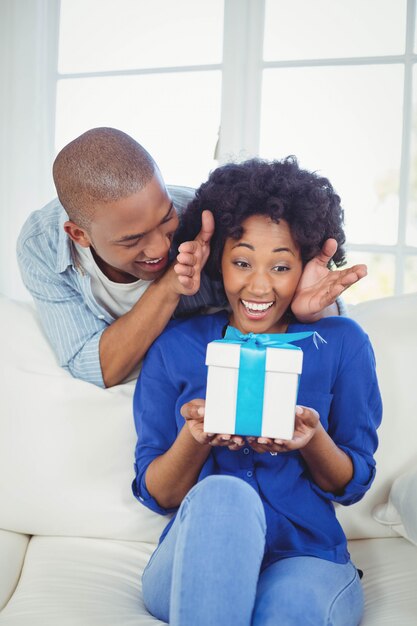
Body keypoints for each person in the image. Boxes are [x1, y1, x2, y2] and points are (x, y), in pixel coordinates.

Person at [132, 157, 382, 626]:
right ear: (219, 263)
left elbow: (353, 482)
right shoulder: (175, 347)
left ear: (305, 265)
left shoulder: (342, 343)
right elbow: (157, 494)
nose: (260, 284)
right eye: (242, 261)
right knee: (226, 495)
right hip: (195, 559)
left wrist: (313, 441)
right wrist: (194, 436)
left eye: (282, 266)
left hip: (304, 557)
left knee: (290, 610)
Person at [17, 128, 366, 388]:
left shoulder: (205, 219)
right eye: (133, 239)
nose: (158, 249)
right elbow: (93, 368)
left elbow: (282, 301)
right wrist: (170, 286)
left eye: (165, 218)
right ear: (79, 234)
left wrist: (311, 310)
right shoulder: (42, 246)